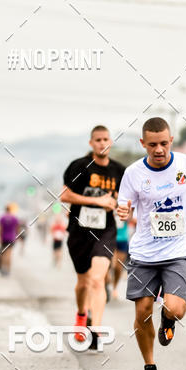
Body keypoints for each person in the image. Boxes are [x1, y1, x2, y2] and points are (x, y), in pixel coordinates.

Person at [117, 117, 186, 370]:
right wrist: (123, 211)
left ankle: (167, 319)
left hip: (178, 250)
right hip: (144, 252)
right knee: (142, 310)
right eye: (152, 144)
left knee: (176, 308)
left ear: (171, 141)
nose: (159, 150)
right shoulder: (133, 173)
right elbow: (125, 205)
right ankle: (149, 366)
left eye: (163, 143)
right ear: (143, 143)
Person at [61, 125, 125, 349]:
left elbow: (126, 199)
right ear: (91, 143)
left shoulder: (119, 170)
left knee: (98, 279)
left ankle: (95, 331)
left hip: (105, 232)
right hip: (79, 232)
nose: (101, 143)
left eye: (105, 139)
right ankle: (81, 314)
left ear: (110, 142)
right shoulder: (79, 166)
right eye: (97, 139)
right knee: (83, 283)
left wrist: (120, 204)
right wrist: (97, 201)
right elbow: (65, 194)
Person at [110, 214, 130, 300]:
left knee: (118, 268)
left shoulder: (126, 204)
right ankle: (105, 283)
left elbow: (132, 218)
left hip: (123, 239)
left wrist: (126, 216)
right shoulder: (108, 202)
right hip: (110, 238)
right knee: (112, 265)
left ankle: (114, 287)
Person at [0, 204, 19, 275]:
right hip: (11, 238)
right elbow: (17, 228)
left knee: (3, 254)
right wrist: (16, 236)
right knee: (9, 254)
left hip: (4, 238)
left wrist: (0, 238)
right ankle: (8, 270)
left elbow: (0, 229)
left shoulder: (2, 218)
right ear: (10, 210)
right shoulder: (14, 218)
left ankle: (3, 269)